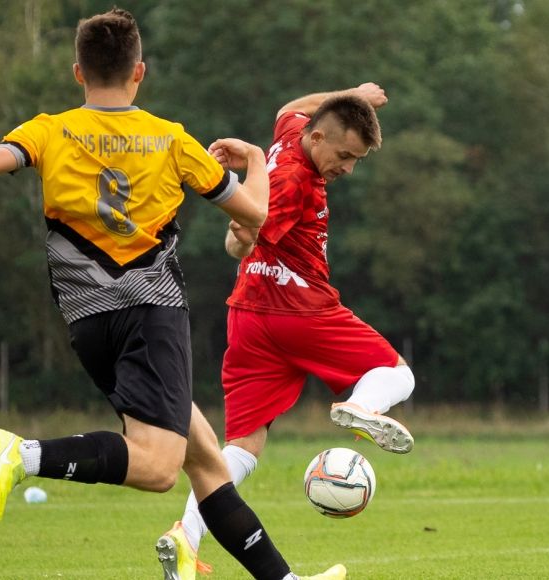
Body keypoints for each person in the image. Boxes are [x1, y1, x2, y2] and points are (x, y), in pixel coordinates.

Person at [0, 8, 345, 580]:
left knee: (206, 459)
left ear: (78, 73)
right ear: (140, 71)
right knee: (159, 469)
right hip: (151, 314)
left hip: (87, 324)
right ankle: (24, 454)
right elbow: (255, 213)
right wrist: (257, 158)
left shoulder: (47, 131)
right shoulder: (170, 139)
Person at [166, 85, 417, 565]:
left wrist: (354, 95)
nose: (348, 169)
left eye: (356, 159)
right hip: (300, 311)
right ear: (318, 139)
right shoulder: (294, 180)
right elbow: (243, 234)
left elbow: (290, 108)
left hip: (248, 315)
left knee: (242, 446)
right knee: (397, 374)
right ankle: (361, 407)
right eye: (345, 156)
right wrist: (240, 238)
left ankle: (185, 537)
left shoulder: (292, 132)